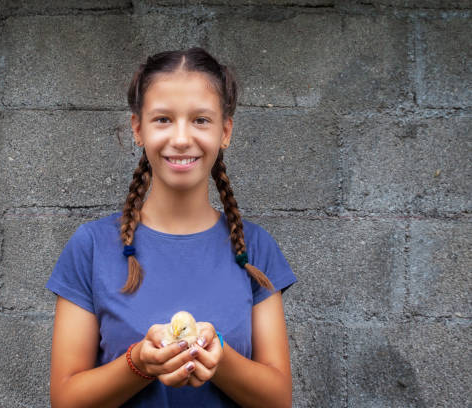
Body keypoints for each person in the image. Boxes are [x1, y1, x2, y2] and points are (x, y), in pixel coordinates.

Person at [45, 47, 298, 408]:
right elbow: (65, 400)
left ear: (225, 131)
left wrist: (219, 359)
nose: (181, 138)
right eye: (163, 119)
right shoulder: (91, 247)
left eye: (201, 120)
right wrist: (139, 364)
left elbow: (278, 400)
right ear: (138, 128)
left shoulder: (256, 248)